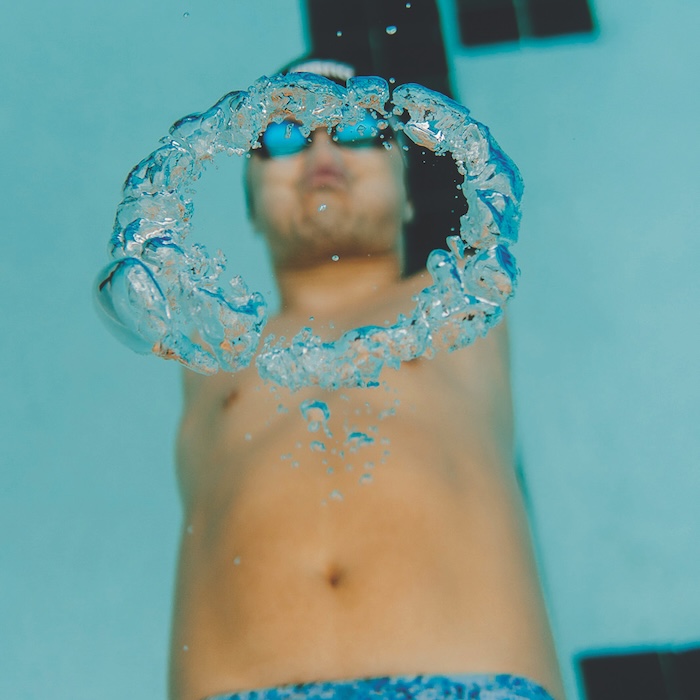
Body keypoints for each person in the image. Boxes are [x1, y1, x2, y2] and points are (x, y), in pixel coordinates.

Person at [169, 58, 566, 700]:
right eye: (282, 139)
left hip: (473, 682)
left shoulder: (461, 304)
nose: (321, 154)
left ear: (410, 196)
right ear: (250, 206)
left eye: (358, 130)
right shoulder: (209, 351)